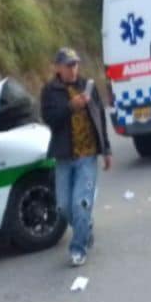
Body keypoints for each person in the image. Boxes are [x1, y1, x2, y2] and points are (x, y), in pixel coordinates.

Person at [40, 47, 112, 267]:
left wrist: (106, 149)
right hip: (64, 156)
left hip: (87, 155)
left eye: (76, 65)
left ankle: (78, 247)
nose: (73, 69)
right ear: (58, 68)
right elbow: (50, 118)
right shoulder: (50, 91)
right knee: (63, 206)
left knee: (80, 203)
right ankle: (85, 226)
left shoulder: (87, 86)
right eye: (69, 65)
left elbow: (99, 118)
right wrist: (72, 106)